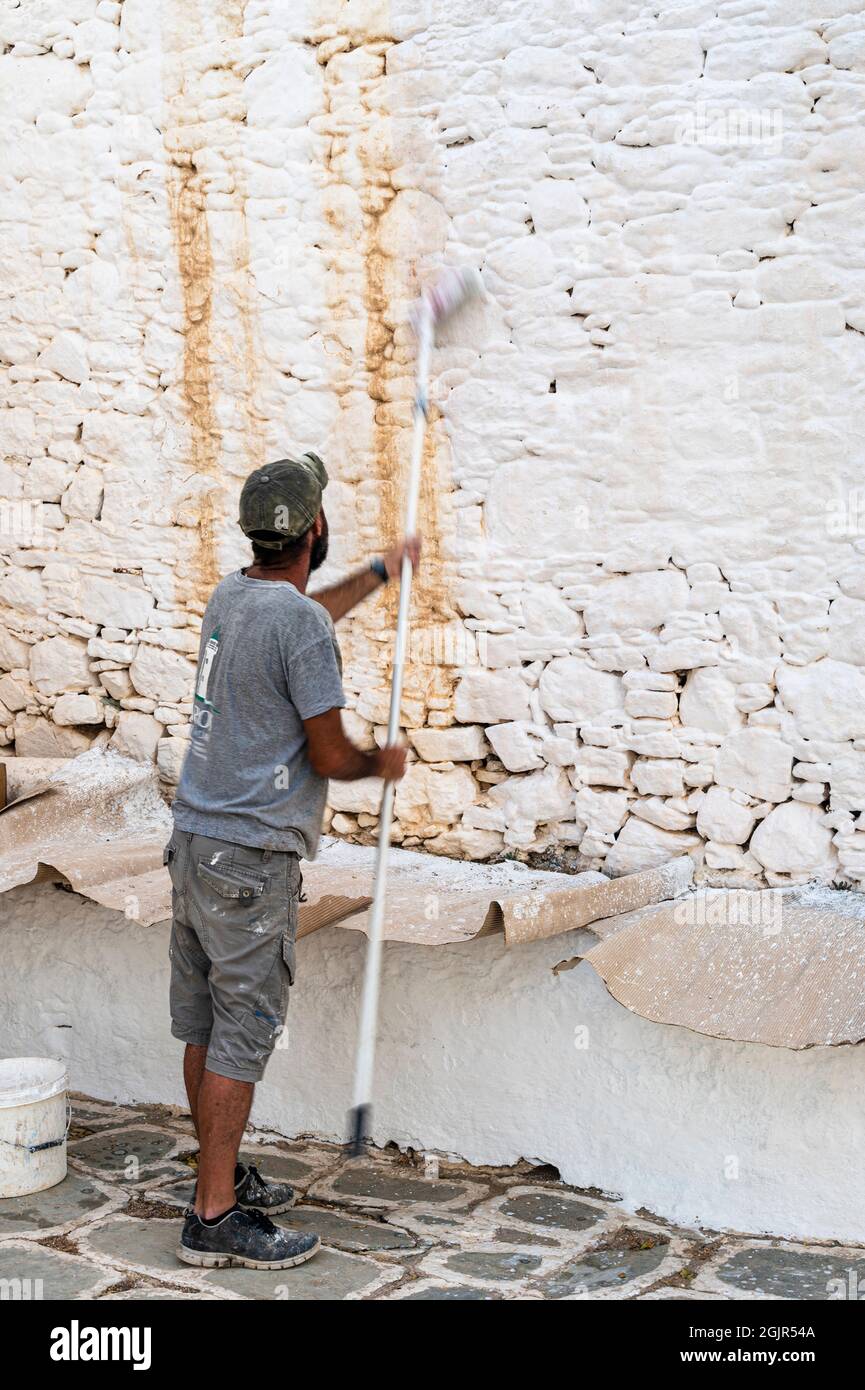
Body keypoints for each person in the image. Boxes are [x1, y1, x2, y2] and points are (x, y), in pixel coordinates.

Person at [164, 452, 418, 1269]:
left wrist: (378, 573)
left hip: (196, 841)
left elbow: (307, 619)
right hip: (250, 861)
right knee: (242, 1033)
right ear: (313, 528)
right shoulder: (295, 624)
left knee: (204, 1023)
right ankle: (214, 1217)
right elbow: (329, 751)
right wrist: (380, 762)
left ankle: (219, 1173)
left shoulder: (232, 598)